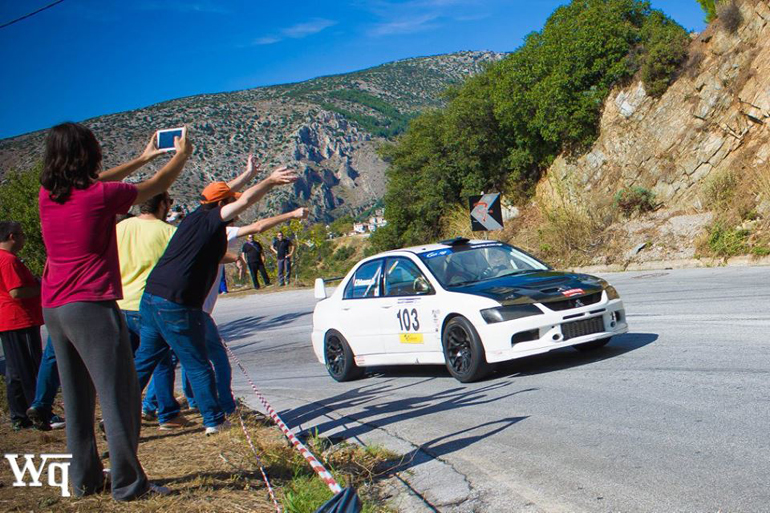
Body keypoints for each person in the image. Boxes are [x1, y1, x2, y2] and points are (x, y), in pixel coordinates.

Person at [39, 121, 191, 500]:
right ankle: (127, 484)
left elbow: (95, 181)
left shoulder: (48, 194)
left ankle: (86, 480)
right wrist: (181, 156)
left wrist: (140, 158)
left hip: (54, 306)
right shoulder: (99, 197)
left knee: (75, 399)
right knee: (119, 395)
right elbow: (154, 188)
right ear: (88, 154)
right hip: (90, 304)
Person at [134, 154, 297, 435]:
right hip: (176, 302)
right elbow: (243, 201)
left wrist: (247, 175)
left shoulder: (195, 217)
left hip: (151, 298)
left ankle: (117, 413)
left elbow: (222, 194)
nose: (235, 206)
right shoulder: (212, 220)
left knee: (144, 362)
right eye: (228, 203)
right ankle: (214, 420)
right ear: (221, 206)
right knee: (198, 364)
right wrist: (269, 181)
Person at [179, 206, 309, 413]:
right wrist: (291, 215)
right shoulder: (222, 230)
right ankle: (225, 406)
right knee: (218, 360)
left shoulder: (195, 231)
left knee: (189, 356)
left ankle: (184, 400)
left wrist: (235, 258)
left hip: (182, 305)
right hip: (198, 310)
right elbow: (258, 226)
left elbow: (214, 255)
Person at [115, 192, 186, 430]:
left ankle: (134, 410)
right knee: (162, 362)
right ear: (163, 204)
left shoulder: (121, 227)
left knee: (133, 363)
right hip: (147, 304)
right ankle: (165, 414)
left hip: (119, 304)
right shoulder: (168, 233)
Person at [0, 221, 43, 431]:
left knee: (15, 370)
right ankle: (37, 412)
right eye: (21, 234)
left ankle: (19, 415)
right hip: (19, 318)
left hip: (9, 320)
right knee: (29, 368)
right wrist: (40, 287)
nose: (24, 238)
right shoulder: (8, 261)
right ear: (11, 236)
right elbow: (16, 292)